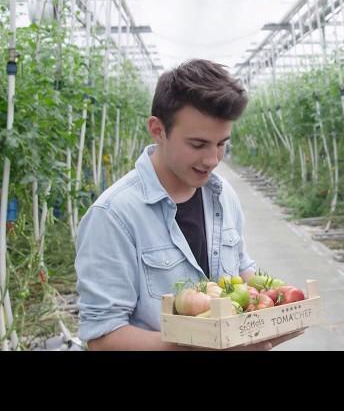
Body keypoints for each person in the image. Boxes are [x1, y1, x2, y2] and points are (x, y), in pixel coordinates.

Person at [75, 59, 301, 350]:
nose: (212, 160)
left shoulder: (223, 195)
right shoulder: (114, 216)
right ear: (158, 130)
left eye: (222, 144)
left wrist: (280, 301)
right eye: (198, 145)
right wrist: (202, 345)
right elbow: (103, 338)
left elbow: (242, 272)